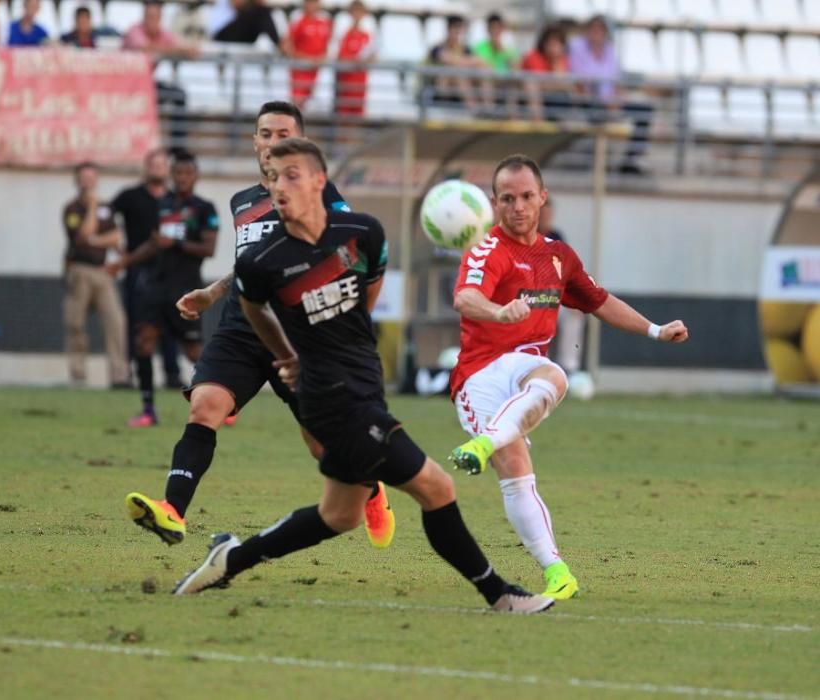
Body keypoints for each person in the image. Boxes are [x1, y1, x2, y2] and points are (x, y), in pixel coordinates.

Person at [171, 137, 554, 615]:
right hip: (333, 400)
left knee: (339, 515)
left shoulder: (362, 234)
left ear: (318, 181)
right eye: (272, 178)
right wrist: (288, 356)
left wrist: (347, 347)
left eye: (291, 176)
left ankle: (231, 558)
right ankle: (498, 593)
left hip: (364, 386)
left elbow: (366, 297)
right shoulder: (259, 260)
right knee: (437, 488)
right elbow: (251, 308)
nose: (279, 186)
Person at [124, 101, 396, 551]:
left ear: (302, 143)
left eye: (283, 133)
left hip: (300, 334)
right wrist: (212, 293)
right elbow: (253, 265)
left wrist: (349, 322)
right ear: (254, 142)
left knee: (320, 443)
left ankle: (369, 487)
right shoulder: (243, 202)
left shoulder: (322, 196)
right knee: (205, 406)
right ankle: (172, 511)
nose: (272, 143)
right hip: (242, 328)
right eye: (265, 134)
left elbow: (351, 254)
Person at [449, 155, 689, 600]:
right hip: (480, 374)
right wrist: (499, 310)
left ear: (542, 198)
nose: (518, 206)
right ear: (494, 203)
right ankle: (548, 556)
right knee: (517, 465)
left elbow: (599, 301)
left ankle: (558, 574)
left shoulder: (559, 257)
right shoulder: (489, 250)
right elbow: (465, 298)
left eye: (526, 196)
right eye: (507, 199)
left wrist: (656, 330)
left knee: (552, 377)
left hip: (524, 372)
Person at [110, 151, 218, 426]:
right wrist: (125, 261)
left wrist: (178, 245)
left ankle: (225, 402)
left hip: (186, 288)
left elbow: (209, 248)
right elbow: (153, 244)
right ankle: (148, 409)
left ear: (195, 177)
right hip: (156, 286)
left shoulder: (205, 209)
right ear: (171, 176)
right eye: (177, 173)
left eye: (187, 173)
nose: (181, 178)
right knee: (144, 342)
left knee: (194, 351)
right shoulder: (163, 206)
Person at [111, 148, 184, 389]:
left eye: (163, 165)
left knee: (171, 321)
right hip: (139, 270)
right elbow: (106, 215)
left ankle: (172, 374)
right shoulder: (131, 196)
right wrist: (116, 244)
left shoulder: (175, 200)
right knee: (137, 322)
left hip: (170, 271)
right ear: (146, 167)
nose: (159, 169)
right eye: (154, 165)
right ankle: (131, 374)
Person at [62, 162, 130, 388]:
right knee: (76, 323)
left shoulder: (107, 208)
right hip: (79, 270)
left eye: (92, 178)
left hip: (102, 271)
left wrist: (96, 240)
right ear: (77, 181)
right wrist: (91, 206)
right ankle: (78, 374)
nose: (88, 182)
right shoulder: (72, 209)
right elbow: (82, 235)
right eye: (84, 178)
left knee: (116, 321)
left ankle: (119, 375)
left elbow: (116, 236)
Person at [568, 15, 653, 174]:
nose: (597, 32)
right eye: (594, 28)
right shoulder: (577, 46)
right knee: (598, 112)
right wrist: (605, 101)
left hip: (609, 102)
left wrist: (618, 99)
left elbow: (616, 81)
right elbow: (578, 81)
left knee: (643, 108)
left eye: (601, 29)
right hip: (588, 100)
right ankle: (596, 161)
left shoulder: (609, 49)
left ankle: (632, 158)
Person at [122, 0, 199, 146]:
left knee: (179, 94)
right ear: (143, 16)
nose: (152, 20)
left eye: (155, 17)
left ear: (160, 17)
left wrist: (189, 48)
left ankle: (178, 150)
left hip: (146, 86)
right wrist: (178, 50)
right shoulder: (134, 31)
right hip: (126, 87)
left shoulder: (163, 33)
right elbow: (145, 48)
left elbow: (183, 47)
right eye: (149, 16)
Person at [538, 198, 585, 375]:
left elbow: (564, 272)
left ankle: (569, 367)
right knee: (539, 313)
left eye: (549, 214)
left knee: (575, 313)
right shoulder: (528, 236)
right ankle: (540, 364)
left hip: (554, 296)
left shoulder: (557, 237)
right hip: (532, 298)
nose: (546, 218)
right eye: (543, 214)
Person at [426, 15, 493, 114]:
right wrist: (467, 62)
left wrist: (465, 62)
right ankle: (475, 110)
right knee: (457, 72)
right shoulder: (437, 48)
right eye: (455, 27)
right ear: (448, 29)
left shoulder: (466, 49)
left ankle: (489, 108)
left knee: (482, 70)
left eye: (460, 28)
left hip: (461, 89)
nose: (458, 31)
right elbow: (449, 59)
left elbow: (483, 63)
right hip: (441, 90)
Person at [283, 0, 331, 108]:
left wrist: (322, 57)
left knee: (316, 106)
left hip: (317, 71)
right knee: (298, 105)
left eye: (315, 2)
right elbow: (287, 46)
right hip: (300, 71)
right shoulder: (299, 21)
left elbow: (328, 45)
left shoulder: (324, 22)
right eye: (310, 2)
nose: (312, 5)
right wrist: (307, 59)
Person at [522, 23, 573, 121]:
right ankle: (538, 121)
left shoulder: (564, 60)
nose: (554, 47)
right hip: (530, 100)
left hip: (556, 101)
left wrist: (556, 62)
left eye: (557, 43)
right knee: (531, 85)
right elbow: (538, 83)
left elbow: (567, 84)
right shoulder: (533, 57)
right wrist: (557, 83)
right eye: (551, 43)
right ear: (543, 43)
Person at [334, 0, 375, 117]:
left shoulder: (367, 36)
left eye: (360, 12)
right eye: (354, 12)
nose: (357, 15)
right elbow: (340, 56)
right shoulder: (345, 34)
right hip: (346, 84)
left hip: (360, 84)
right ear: (350, 14)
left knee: (358, 117)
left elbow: (372, 56)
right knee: (344, 117)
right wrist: (355, 60)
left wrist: (369, 59)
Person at [213, 0, 280, 47]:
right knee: (262, 13)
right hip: (221, 34)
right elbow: (236, 4)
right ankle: (279, 44)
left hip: (232, 33)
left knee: (261, 13)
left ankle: (280, 44)